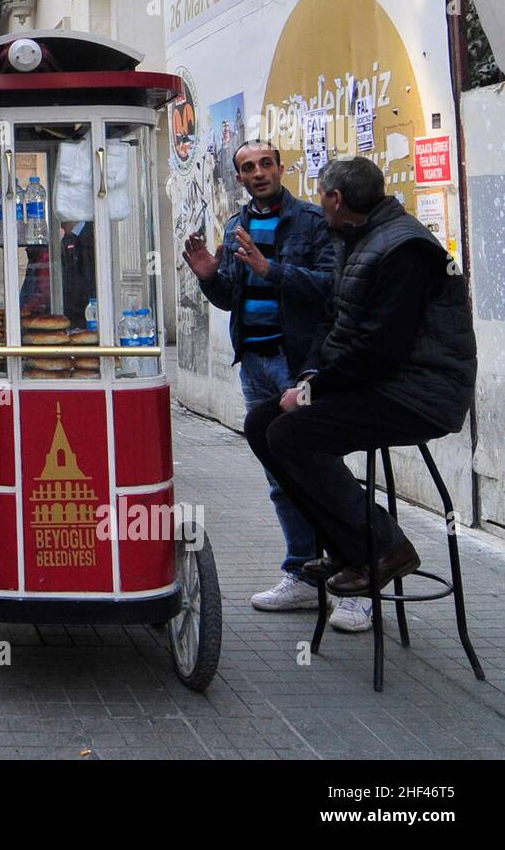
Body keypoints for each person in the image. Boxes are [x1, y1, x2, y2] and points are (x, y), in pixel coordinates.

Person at [245, 157, 476, 601]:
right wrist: (310, 375)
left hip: (419, 394)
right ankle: (351, 548)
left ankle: (385, 548)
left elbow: (381, 350)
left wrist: (313, 391)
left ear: (336, 199)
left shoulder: (405, 248)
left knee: (293, 434)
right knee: (261, 424)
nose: (320, 204)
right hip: (380, 382)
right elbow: (332, 321)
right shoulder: (357, 239)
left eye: (322, 195)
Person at [181, 142, 352, 624]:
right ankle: (300, 573)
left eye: (265, 165)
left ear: (280, 169)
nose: (258, 173)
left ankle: (357, 576)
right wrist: (211, 278)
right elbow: (230, 296)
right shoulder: (238, 225)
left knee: (324, 470)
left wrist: (270, 269)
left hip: (299, 364)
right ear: (239, 178)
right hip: (255, 364)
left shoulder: (312, 222)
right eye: (248, 168)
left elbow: (330, 289)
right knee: (280, 478)